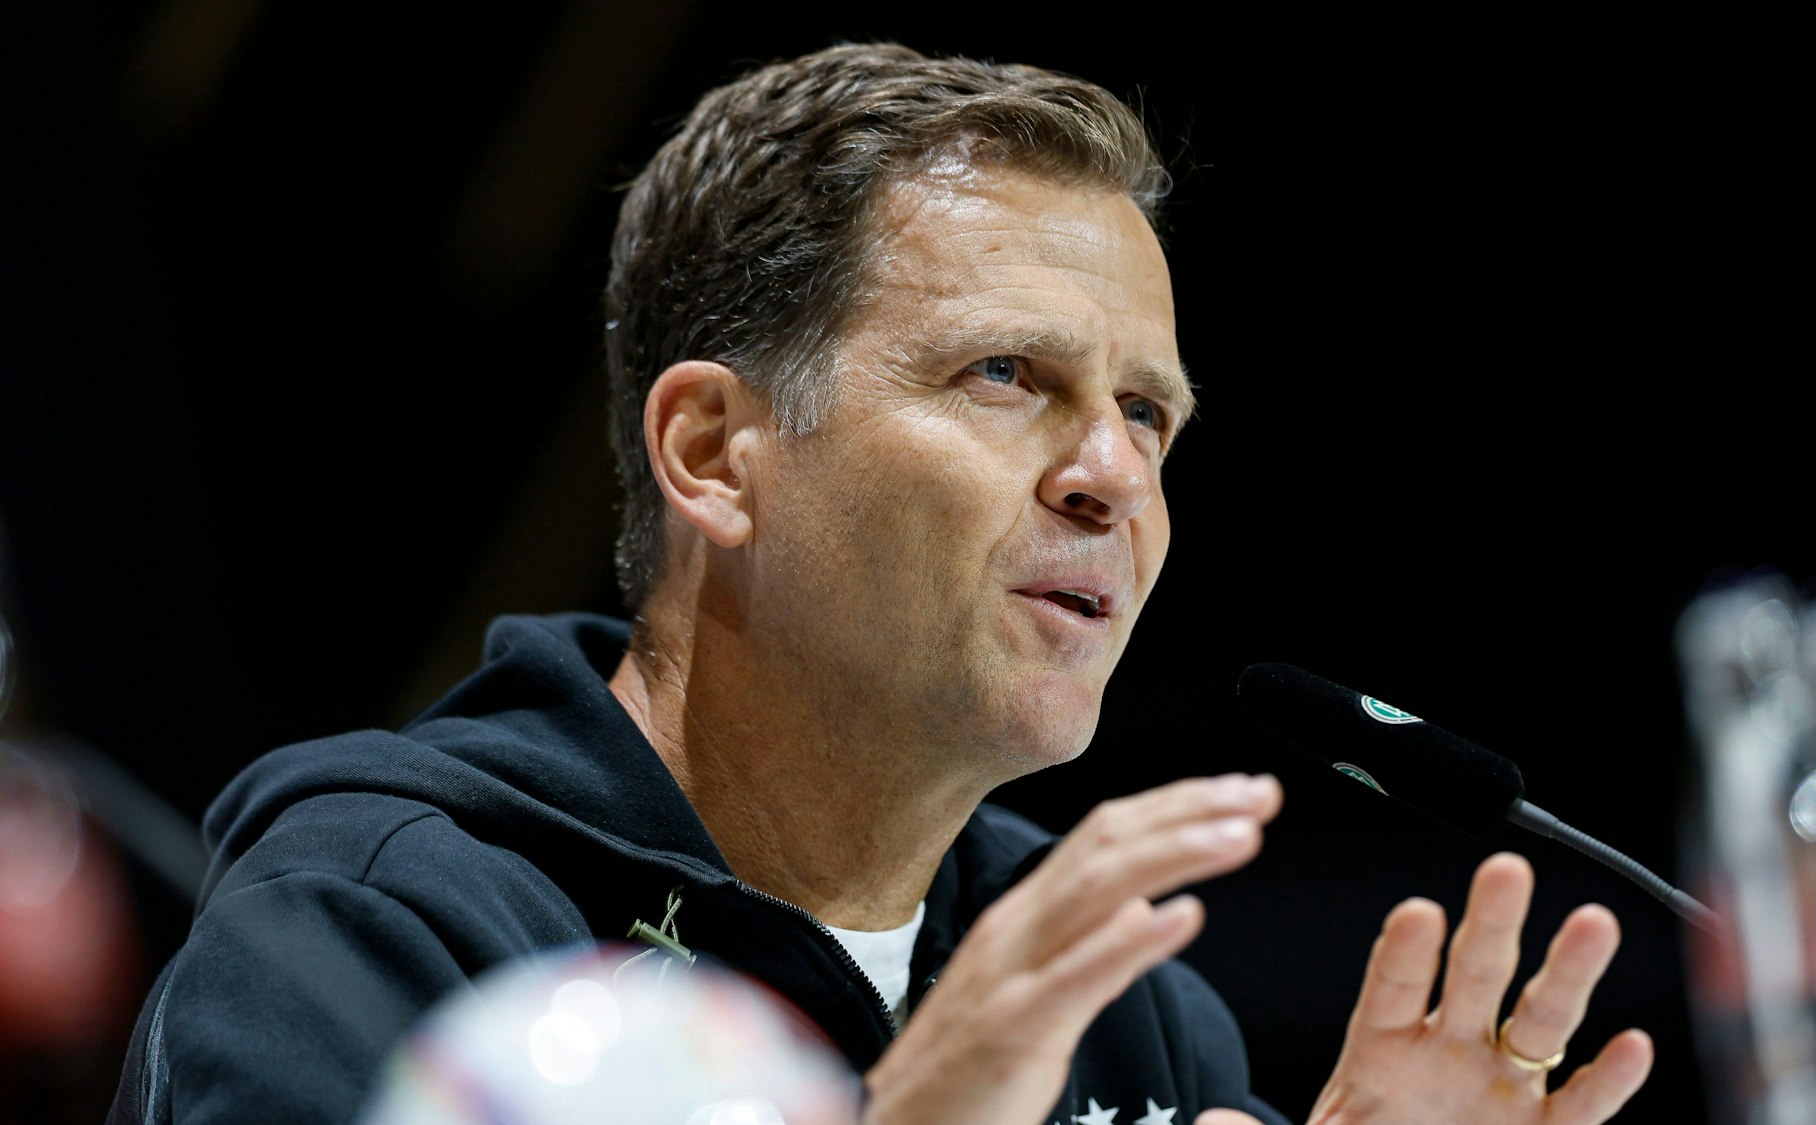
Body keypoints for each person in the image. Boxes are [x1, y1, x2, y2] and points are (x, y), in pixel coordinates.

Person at [110, 43, 1654, 1124]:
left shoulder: (1109, 984)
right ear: (715, 452)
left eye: (1147, 412)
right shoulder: (381, 936)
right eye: (1006, 375)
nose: (1113, 475)